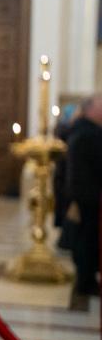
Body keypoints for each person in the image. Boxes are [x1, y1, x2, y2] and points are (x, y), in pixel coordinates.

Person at [65, 93, 102, 297]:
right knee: (88, 239)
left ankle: (86, 278)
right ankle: (85, 281)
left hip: (84, 193)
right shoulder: (89, 133)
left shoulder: (82, 129)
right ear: (91, 110)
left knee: (86, 237)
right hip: (89, 195)